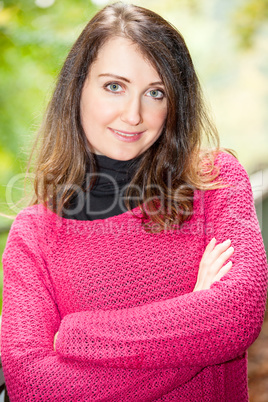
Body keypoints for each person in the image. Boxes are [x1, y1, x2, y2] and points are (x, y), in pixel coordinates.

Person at [1, 2, 267, 401]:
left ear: (175, 103)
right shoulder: (34, 235)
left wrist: (77, 335)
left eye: (155, 93)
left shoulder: (215, 182)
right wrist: (194, 319)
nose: (133, 114)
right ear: (77, 88)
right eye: (114, 86)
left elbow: (235, 318)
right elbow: (34, 388)